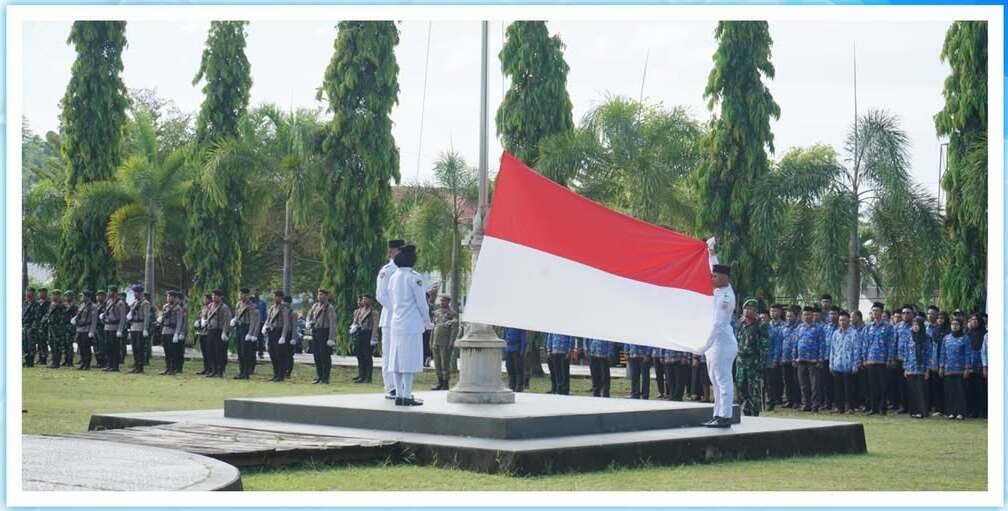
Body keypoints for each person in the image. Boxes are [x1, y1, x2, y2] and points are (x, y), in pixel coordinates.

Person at [691, 237, 737, 427]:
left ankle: (725, 416)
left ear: (725, 278)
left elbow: (717, 326)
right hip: (714, 346)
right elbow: (714, 267)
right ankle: (718, 414)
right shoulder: (720, 287)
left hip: (722, 345)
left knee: (723, 380)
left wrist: (703, 347)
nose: (712, 278)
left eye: (715, 277)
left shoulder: (725, 298)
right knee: (715, 382)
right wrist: (711, 252)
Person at [388, 245, 432, 406]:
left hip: (396, 323)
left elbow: (391, 299)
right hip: (411, 324)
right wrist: (428, 322)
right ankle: (406, 395)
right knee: (409, 361)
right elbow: (422, 303)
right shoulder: (414, 277)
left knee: (396, 361)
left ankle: (399, 395)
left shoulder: (393, 277)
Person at [376, 239, 405, 399]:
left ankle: (400, 385)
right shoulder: (386, 270)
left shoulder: (404, 270)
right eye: (400, 250)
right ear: (392, 252)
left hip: (403, 319)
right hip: (389, 318)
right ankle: (390, 386)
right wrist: (397, 310)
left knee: (401, 353)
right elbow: (381, 296)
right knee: (388, 354)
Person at [735, 298, 768, 416]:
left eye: (751, 308)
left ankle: (754, 413)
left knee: (753, 389)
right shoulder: (740, 323)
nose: (747, 311)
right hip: (740, 362)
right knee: (740, 386)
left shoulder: (760, 325)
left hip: (754, 362)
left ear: (755, 311)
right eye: (746, 308)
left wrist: (762, 363)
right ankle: (745, 410)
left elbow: (765, 345)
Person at [829, 310, 862, 414]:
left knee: (849, 388)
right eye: (840, 320)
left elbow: (856, 350)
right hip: (837, 364)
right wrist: (831, 364)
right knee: (838, 388)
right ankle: (840, 407)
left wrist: (855, 364)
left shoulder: (854, 333)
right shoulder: (835, 333)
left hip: (848, 365)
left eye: (844, 320)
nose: (842, 322)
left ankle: (850, 408)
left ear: (848, 321)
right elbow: (832, 350)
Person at [862, 302, 892, 415]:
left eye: (877, 311)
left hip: (883, 360)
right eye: (873, 310)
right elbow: (865, 344)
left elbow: (891, 344)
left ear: (881, 312)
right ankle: (873, 408)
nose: (875, 313)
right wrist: (864, 358)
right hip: (871, 359)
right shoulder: (868, 327)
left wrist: (889, 358)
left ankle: (882, 408)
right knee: (872, 385)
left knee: (883, 385)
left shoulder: (888, 327)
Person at [793, 306, 824, 412]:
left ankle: (815, 405)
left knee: (814, 385)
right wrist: (794, 358)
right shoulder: (799, 328)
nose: (807, 317)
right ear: (802, 316)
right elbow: (795, 343)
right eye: (805, 314)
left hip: (813, 361)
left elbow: (822, 344)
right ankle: (805, 404)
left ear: (813, 316)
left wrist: (820, 359)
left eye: (809, 314)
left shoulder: (818, 328)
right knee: (803, 385)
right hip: (801, 360)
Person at [939, 317, 968, 420]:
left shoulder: (965, 338)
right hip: (948, 369)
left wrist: (967, 368)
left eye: (956, 324)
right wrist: (941, 366)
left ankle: (961, 412)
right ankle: (951, 412)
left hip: (960, 369)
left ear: (960, 326)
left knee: (960, 392)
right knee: (950, 392)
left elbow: (968, 353)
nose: (954, 326)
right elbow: (942, 353)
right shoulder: (946, 338)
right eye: (952, 324)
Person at [306, 289, 337, 384]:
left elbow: (332, 323)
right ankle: (319, 376)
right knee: (316, 355)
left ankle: (325, 377)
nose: (319, 296)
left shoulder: (329, 308)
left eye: (322, 295)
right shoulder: (315, 306)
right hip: (316, 331)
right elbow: (309, 315)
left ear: (327, 296)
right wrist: (308, 322)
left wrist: (331, 338)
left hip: (325, 332)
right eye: (319, 294)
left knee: (325, 356)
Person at [902, 316, 930, 419]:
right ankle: (913, 411)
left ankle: (922, 411)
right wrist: (905, 368)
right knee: (912, 391)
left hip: (921, 367)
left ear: (921, 326)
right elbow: (906, 353)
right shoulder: (909, 337)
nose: (915, 327)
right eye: (913, 325)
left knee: (921, 391)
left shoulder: (926, 338)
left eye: (917, 325)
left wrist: (927, 369)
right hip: (910, 367)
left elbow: (928, 354)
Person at [428, 295, 458, 390]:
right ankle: (439, 382)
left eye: (444, 301)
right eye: (441, 301)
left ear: (448, 302)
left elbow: (454, 329)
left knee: (445, 363)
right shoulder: (437, 312)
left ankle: (445, 383)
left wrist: (451, 342)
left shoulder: (452, 314)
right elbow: (434, 328)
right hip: (435, 342)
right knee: (437, 363)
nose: (442, 302)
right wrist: (431, 341)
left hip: (445, 343)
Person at [231, 288, 261, 380]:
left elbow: (253, 321)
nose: (240, 296)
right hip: (239, 328)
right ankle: (241, 371)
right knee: (240, 351)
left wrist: (250, 333)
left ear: (247, 295)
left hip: (246, 328)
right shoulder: (238, 304)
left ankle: (246, 372)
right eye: (240, 294)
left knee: (245, 352)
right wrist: (234, 320)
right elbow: (237, 315)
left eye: (242, 294)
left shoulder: (251, 306)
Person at [202, 289, 232, 377]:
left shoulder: (224, 307)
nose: (213, 297)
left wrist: (224, 332)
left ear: (220, 297)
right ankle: (213, 370)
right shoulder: (210, 305)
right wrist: (203, 321)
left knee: (219, 351)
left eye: (215, 296)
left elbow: (227, 320)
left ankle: (220, 370)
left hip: (219, 331)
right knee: (210, 350)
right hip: (210, 330)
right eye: (212, 295)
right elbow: (206, 315)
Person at [262, 290, 291, 382]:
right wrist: (265, 326)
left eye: (277, 296)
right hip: (272, 332)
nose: (275, 298)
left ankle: (281, 375)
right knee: (272, 353)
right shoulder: (272, 307)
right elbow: (268, 319)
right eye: (274, 296)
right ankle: (275, 374)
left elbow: (286, 323)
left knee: (280, 355)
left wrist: (283, 336)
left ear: (281, 298)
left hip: (279, 332)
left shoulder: (284, 309)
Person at [352, 294, 381, 384]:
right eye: (363, 299)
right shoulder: (359, 311)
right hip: (359, 334)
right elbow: (355, 322)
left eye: (366, 299)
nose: (364, 301)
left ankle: (368, 377)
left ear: (370, 301)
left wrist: (374, 338)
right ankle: (361, 375)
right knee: (360, 355)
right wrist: (353, 327)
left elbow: (375, 326)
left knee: (367, 356)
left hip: (368, 334)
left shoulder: (373, 312)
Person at [126, 285, 153, 373]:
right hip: (133, 326)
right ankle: (136, 365)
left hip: (141, 327)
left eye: (136, 292)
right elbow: (130, 314)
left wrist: (145, 329)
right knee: (134, 348)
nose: (134, 294)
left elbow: (146, 317)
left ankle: (140, 367)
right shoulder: (134, 302)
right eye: (134, 292)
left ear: (140, 293)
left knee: (140, 348)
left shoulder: (145, 303)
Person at [157, 290, 186, 375]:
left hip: (172, 332)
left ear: (174, 298)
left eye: (170, 296)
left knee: (173, 352)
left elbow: (179, 322)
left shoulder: (178, 308)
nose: (168, 298)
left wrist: (177, 333)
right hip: (165, 331)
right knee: (166, 351)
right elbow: (163, 317)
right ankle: (167, 368)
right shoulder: (165, 306)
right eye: (167, 296)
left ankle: (173, 369)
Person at [964, 313, 987, 418]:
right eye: (972, 319)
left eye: (976, 319)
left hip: (981, 364)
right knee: (971, 388)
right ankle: (973, 411)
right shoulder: (968, 333)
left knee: (981, 389)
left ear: (980, 321)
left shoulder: (984, 334)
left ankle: (983, 411)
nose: (973, 321)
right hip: (970, 364)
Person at [99, 286, 126, 372]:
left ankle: (115, 366)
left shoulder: (120, 303)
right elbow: (107, 313)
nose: (108, 293)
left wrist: (120, 330)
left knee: (115, 348)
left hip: (115, 327)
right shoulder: (108, 301)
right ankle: (109, 364)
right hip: (107, 326)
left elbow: (122, 318)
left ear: (114, 292)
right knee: (108, 347)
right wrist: (103, 317)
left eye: (109, 291)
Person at [764, 304, 786, 411]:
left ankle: (778, 399)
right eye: (771, 311)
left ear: (780, 312)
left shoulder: (784, 325)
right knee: (768, 381)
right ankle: (769, 400)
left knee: (778, 381)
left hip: (780, 357)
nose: (773, 313)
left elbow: (779, 344)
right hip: (766, 358)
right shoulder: (766, 326)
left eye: (775, 311)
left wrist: (777, 358)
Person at [71, 290, 99, 370]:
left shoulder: (93, 306)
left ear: (87, 297)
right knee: (81, 347)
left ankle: (87, 364)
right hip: (80, 329)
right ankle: (83, 362)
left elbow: (94, 320)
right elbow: (78, 316)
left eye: (82, 296)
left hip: (87, 329)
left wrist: (92, 331)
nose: (81, 297)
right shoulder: (81, 305)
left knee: (86, 347)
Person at [781, 305, 802, 408]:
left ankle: (797, 401)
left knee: (796, 381)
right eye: (787, 316)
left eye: (791, 316)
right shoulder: (784, 328)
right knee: (787, 381)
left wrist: (796, 358)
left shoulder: (800, 327)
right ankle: (789, 400)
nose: (788, 318)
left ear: (796, 316)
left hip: (796, 359)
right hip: (785, 358)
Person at [41, 289, 65, 368]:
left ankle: (56, 362)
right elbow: (47, 314)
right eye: (53, 295)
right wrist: (43, 321)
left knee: (57, 345)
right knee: (52, 344)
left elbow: (63, 318)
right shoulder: (51, 305)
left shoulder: (61, 306)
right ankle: (53, 361)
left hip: (58, 328)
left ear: (59, 296)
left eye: (56, 295)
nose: (54, 296)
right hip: (51, 327)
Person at [502, 327, 527, 392]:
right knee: (509, 368)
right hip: (508, 349)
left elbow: (523, 337)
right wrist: (503, 349)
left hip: (517, 348)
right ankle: (511, 385)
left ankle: (519, 386)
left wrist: (522, 350)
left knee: (518, 368)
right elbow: (504, 336)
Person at [194, 294, 211, 375]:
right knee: (204, 351)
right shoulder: (203, 308)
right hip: (202, 332)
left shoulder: (211, 308)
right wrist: (198, 322)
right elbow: (201, 317)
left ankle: (210, 368)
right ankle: (205, 368)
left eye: (206, 299)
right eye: (204, 299)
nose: (204, 300)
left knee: (208, 351)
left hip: (208, 332)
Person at [62, 291, 78, 368]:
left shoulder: (75, 306)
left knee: (69, 344)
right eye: (66, 296)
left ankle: (70, 361)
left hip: (70, 327)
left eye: (68, 296)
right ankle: (66, 360)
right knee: (64, 344)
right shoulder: (63, 306)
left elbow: (76, 317)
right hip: (63, 327)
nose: (67, 297)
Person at [22, 287, 37, 367]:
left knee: (31, 344)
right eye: (27, 292)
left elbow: (37, 317)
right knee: (25, 344)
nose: (28, 293)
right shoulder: (24, 303)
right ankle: (26, 360)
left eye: (30, 292)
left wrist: (33, 327)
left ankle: (31, 362)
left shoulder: (36, 304)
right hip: (25, 326)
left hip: (31, 326)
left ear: (33, 293)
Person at [284, 295, 297, 379]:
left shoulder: (293, 313)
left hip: (290, 334)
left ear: (290, 303)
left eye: (287, 303)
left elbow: (294, 326)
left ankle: (288, 371)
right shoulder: (282, 311)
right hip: (283, 334)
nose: (285, 304)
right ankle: (283, 370)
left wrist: (293, 338)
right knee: (283, 354)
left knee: (289, 354)